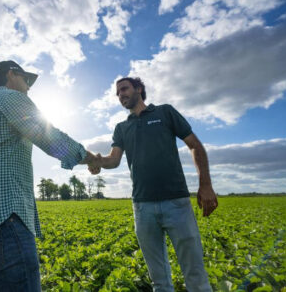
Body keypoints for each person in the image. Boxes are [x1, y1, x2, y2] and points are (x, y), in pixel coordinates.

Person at [0, 60, 101, 291]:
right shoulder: (10, 98)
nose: (28, 87)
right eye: (26, 80)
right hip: (3, 218)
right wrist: (90, 157)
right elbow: (50, 136)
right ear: (12, 74)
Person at [89, 77, 218, 291]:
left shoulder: (165, 112)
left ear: (139, 89)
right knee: (159, 281)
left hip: (176, 202)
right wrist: (98, 161)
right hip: (143, 207)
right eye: (117, 93)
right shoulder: (121, 128)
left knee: (195, 274)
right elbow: (113, 159)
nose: (120, 95)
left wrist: (205, 185)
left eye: (124, 89)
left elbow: (194, 145)